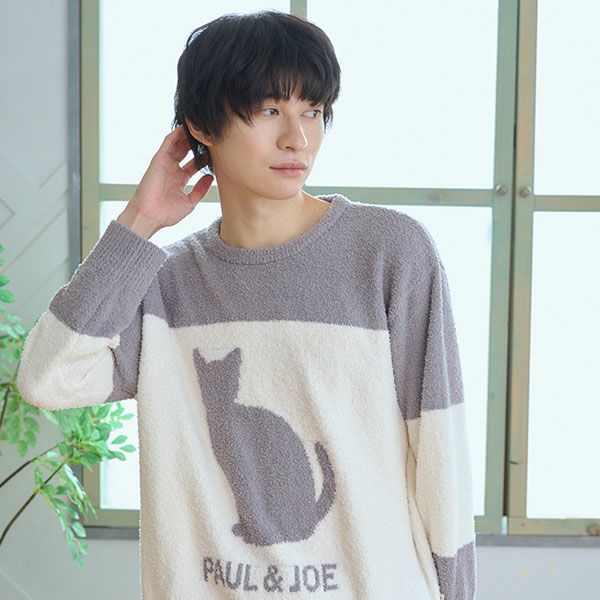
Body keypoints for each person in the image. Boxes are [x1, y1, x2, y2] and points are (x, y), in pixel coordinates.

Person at [16, 9, 476, 600]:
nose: (298, 138)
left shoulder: (390, 253)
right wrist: (139, 223)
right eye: (268, 110)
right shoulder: (162, 283)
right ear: (201, 125)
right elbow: (47, 379)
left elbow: (440, 452)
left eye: (313, 110)